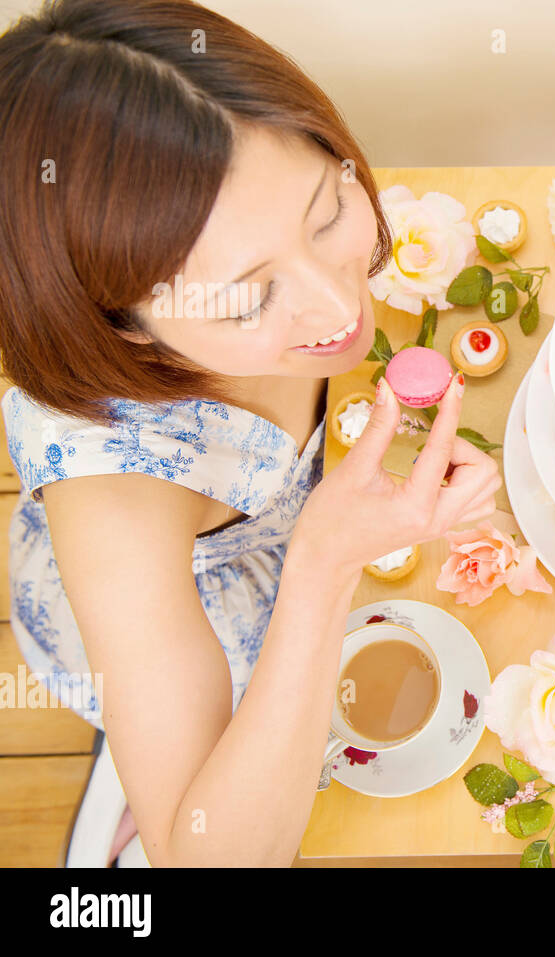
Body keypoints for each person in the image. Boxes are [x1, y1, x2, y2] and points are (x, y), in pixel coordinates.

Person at [0, 0, 500, 866]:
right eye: (246, 299)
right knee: (201, 782)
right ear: (123, 325)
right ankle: (135, 778)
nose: (342, 308)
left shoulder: (271, 247)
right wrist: (323, 563)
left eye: (324, 210)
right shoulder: (115, 495)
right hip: (194, 615)